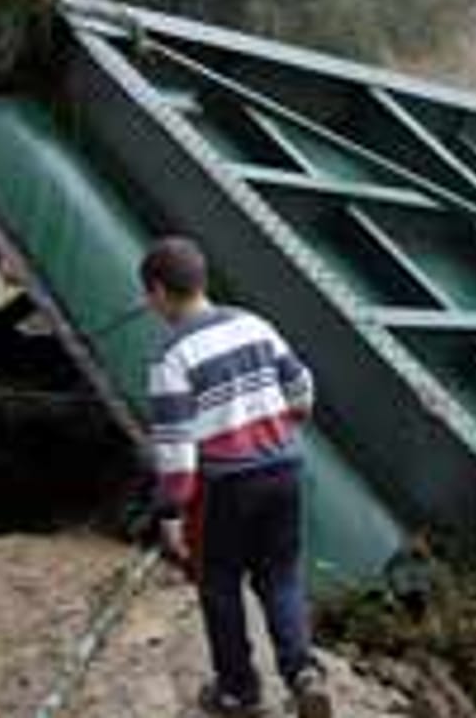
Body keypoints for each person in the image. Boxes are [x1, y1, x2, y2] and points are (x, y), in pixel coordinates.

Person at [140, 236, 332, 718]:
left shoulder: (171, 357)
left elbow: (178, 452)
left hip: (226, 485)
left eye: (149, 295)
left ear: (160, 291)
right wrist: (286, 421)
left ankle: (238, 692)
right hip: (284, 468)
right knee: (281, 576)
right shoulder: (254, 324)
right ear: (202, 281)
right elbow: (302, 388)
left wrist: (170, 512)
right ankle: (302, 672)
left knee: (219, 584)